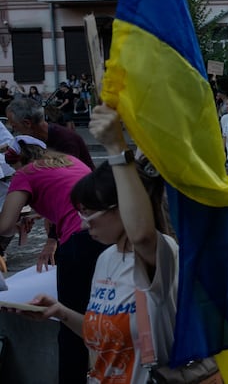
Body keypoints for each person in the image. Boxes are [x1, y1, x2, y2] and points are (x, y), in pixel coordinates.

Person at [25, 105, 179, 384]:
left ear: (123, 209)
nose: (84, 224)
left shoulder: (161, 252)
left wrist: (115, 145)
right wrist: (60, 312)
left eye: (90, 212)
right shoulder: (106, 258)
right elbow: (102, 336)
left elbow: (142, 235)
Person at [0, 135, 108, 383]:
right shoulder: (68, 160)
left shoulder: (25, 173)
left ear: (19, 162)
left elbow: (4, 226)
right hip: (108, 236)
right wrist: (36, 215)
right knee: (103, 313)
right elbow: (67, 197)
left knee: (70, 327)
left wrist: (13, 222)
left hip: (80, 241)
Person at [7, 97, 95, 169]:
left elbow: (67, 176)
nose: (14, 130)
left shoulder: (66, 140)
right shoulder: (34, 138)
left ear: (27, 123)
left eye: (14, 126)